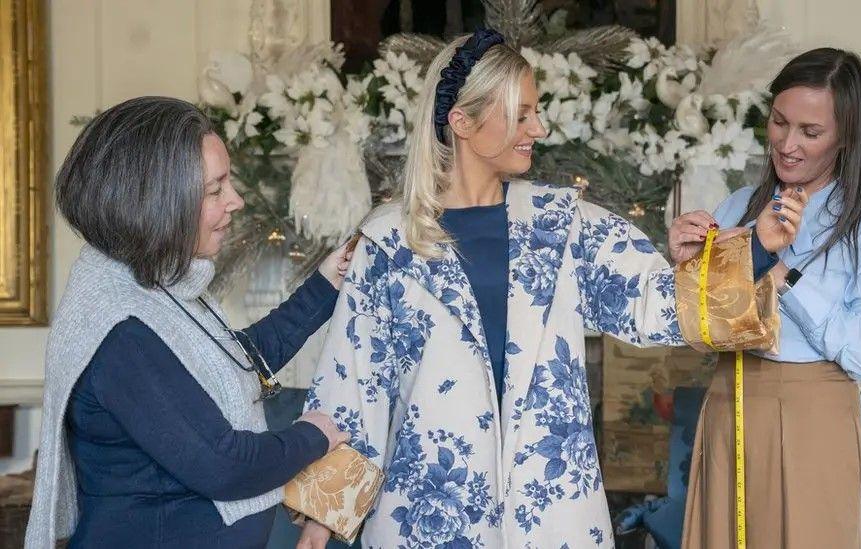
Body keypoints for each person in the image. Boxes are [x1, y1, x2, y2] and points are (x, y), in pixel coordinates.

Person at [297, 29, 803, 548]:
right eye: (521, 115)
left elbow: (658, 306)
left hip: (551, 510)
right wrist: (321, 517)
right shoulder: (387, 241)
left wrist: (759, 247)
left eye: (536, 111)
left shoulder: (562, 225)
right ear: (463, 122)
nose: (538, 128)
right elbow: (354, 384)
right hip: (429, 515)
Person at [25, 96, 353, 549]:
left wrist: (325, 285)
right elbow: (226, 465)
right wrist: (315, 436)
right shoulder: (120, 330)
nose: (235, 200)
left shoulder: (154, 286)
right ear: (157, 202)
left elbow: (232, 363)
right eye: (215, 189)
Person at [670, 48, 861, 549]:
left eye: (811, 131)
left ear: (846, 134)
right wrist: (686, 265)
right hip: (730, 401)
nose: (787, 144)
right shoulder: (737, 207)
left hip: (816, 415)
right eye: (779, 122)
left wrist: (780, 271)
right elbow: (703, 329)